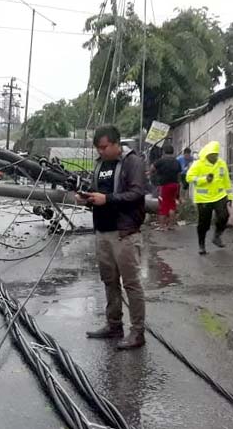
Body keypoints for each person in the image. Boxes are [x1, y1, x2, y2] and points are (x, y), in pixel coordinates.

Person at [76, 124, 147, 350]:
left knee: (131, 283)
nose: (101, 151)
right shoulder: (100, 164)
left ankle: (137, 332)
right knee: (109, 281)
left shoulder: (132, 162)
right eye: (98, 148)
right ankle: (114, 324)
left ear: (117, 144)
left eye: (105, 147)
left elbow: (137, 194)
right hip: (103, 230)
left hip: (124, 232)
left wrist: (107, 199)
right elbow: (98, 192)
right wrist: (87, 198)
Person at [185, 141, 233, 255]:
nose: (214, 157)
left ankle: (217, 236)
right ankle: (201, 245)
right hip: (203, 198)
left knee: (224, 216)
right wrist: (204, 179)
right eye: (212, 155)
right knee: (204, 223)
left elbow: (226, 180)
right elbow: (189, 178)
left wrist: (230, 196)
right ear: (207, 154)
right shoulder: (198, 164)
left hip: (219, 196)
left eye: (216, 154)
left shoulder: (221, 163)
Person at [151, 144, 182, 231]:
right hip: (175, 185)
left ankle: (161, 226)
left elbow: (152, 168)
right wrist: (178, 186)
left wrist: (155, 173)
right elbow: (179, 175)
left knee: (163, 205)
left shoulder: (161, 160)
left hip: (165, 186)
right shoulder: (177, 161)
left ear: (164, 152)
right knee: (172, 205)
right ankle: (171, 226)